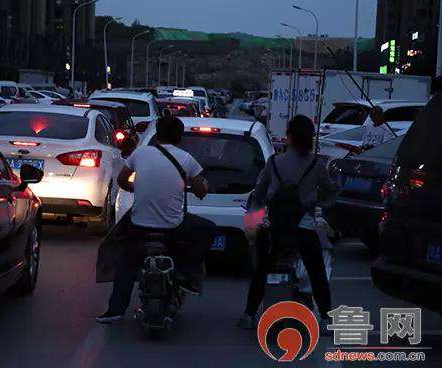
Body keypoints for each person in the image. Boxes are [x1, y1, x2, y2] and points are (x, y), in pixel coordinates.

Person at [96, 116, 216, 323]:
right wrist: (201, 188)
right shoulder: (186, 159)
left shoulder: (140, 153)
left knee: (127, 261)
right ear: (179, 137)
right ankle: (187, 274)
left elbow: (123, 180)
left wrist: (139, 187)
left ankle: (115, 311)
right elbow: (201, 190)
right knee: (209, 229)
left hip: (139, 227)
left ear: (157, 133)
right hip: (173, 228)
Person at [239, 115, 339, 332]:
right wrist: (315, 203)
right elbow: (330, 194)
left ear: (289, 137)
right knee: (317, 273)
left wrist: (252, 225)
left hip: (275, 229)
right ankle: (325, 319)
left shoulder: (274, 162)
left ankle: (248, 314)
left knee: (262, 270)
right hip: (304, 230)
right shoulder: (317, 165)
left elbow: (259, 196)